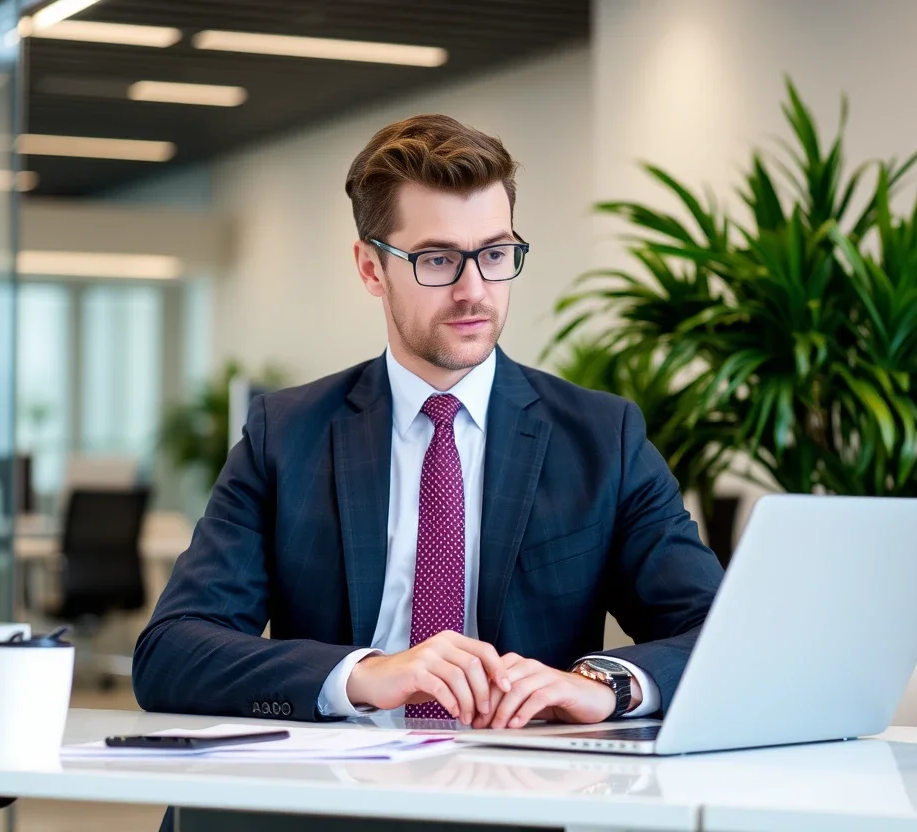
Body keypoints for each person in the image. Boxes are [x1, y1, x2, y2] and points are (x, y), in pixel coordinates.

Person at [133, 113, 723, 736]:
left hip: (519, 794)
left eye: (495, 254)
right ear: (370, 268)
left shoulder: (603, 439)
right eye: (437, 259)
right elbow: (172, 649)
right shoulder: (285, 435)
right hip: (332, 797)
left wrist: (606, 686)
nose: (474, 290)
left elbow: (721, 632)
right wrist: (362, 674)